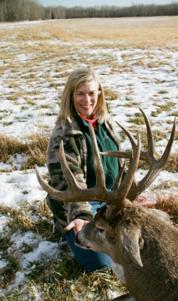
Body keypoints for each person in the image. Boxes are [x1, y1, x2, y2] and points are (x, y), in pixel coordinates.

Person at [46, 68, 120, 272]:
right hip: (81, 205)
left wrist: (128, 194)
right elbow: (67, 180)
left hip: (111, 200)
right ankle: (64, 225)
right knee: (101, 263)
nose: (86, 100)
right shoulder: (64, 133)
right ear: (70, 96)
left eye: (91, 93)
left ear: (99, 94)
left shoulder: (106, 124)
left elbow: (118, 167)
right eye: (80, 93)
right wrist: (82, 216)